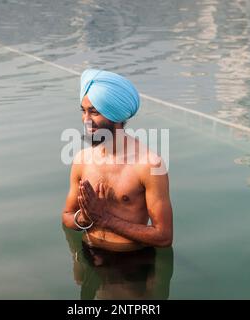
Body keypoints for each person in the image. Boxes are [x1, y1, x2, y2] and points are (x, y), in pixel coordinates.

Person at [62, 69, 173, 252]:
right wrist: (85, 218)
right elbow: (66, 216)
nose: (86, 120)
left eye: (94, 112)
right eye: (84, 111)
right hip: (88, 251)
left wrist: (105, 220)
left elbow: (164, 236)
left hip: (130, 264)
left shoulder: (149, 165)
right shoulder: (82, 160)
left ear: (116, 116)